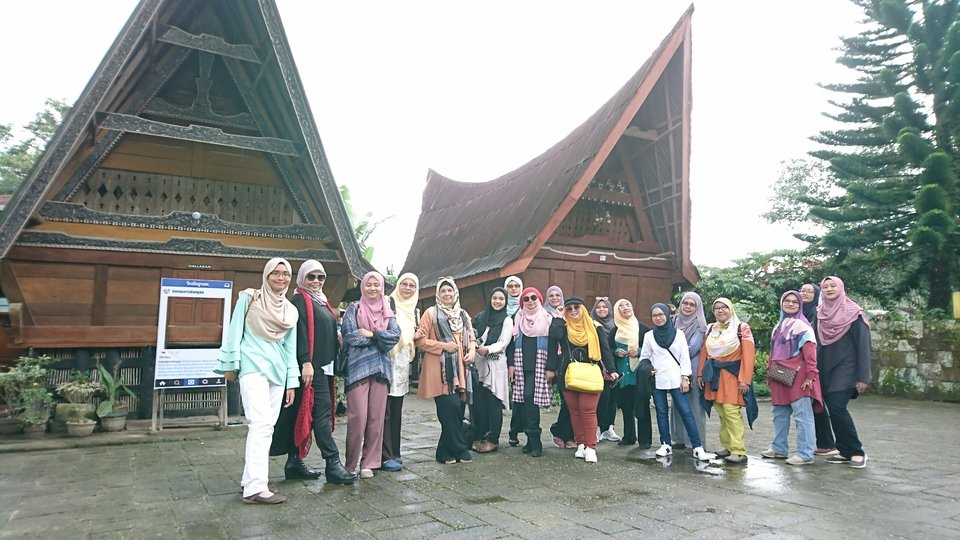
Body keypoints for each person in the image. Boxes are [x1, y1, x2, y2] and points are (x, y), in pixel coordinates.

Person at [216, 258, 299, 504]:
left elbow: (290, 348)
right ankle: (255, 488)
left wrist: (291, 381)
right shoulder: (249, 298)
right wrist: (232, 364)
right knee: (260, 424)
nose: (281, 277)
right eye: (275, 273)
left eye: (285, 273)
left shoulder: (290, 310)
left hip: (278, 371)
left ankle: (251, 481)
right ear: (266, 275)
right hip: (252, 366)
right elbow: (235, 332)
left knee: (267, 427)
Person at [269, 260, 355, 485]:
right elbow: (299, 333)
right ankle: (332, 463)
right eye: (311, 277)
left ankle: (294, 462)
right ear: (302, 278)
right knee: (322, 414)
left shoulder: (321, 301)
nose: (316, 281)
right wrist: (305, 361)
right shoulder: (300, 299)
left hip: (324, 366)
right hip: (311, 367)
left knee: (302, 412)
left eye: (320, 277)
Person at [341, 271, 401, 479]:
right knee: (358, 418)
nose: (373, 288)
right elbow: (351, 336)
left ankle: (370, 462)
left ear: (382, 287)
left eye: (377, 285)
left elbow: (395, 336)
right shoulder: (354, 308)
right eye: (369, 284)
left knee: (376, 419)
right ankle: (350, 464)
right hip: (358, 369)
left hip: (381, 370)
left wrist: (372, 334)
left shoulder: (387, 310)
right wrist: (378, 339)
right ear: (362, 286)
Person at [643, 303, 715, 462]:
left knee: (686, 412)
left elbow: (684, 358)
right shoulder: (649, 336)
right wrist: (649, 368)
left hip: (677, 379)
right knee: (661, 413)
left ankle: (697, 446)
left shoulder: (678, 334)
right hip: (658, 379)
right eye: (655, 315)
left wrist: (685, 378)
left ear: (667, 314)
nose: (658, 318)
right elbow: (645, 357)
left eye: (661, 314)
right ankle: (665, 444)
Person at [416, 277, 476, 464]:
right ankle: (460, 449)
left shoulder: (463, 314)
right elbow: (420, 341)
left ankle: (443, 452)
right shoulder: (431, 313)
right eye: (443, 291)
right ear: (438, 294)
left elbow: (472, 337)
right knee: (449, 408)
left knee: (457, 410)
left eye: (450, 290)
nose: (447, 294)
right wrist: (444, 346)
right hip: (440, 369)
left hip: (461, 368)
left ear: (455, 292)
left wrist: (472, 351)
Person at [762, 290, 822, 466]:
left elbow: (810, 354)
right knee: (779, 413)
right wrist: (769, 371)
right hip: (780, 374)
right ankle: (779, 448)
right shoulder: (779, 326)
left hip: (800, 375)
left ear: (800, 305)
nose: (790, 304)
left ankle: (805, 453)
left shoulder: (803, 327)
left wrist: (811, 375)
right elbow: (773, 352)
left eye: (795, 302)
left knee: (802, 415)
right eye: (787, 301)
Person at [817, 276, 871, 469]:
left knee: (837, 406)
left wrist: (863, 376)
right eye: (825, 287)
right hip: (825, 369)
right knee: (832, 409)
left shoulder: (854, 313)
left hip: (847, 368)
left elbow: (863, 345)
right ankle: (844, 451)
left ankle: (857, 451)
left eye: (833, 286)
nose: (829, 289)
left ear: (841, 288)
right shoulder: (820, 314)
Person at [698, 297, 757, 464]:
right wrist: (700, 374)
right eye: (717, 308)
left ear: (730, 309)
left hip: (732, 376)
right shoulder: (711, 328)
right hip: (714, 376)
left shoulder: (741, 328)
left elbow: (748, 355)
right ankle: (728, 446)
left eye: (724, 307)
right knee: (722, 412)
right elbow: (704, 352)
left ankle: (738, 450)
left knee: (731, 412)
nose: (720, 310)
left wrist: (745, 380)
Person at [558, 296, 617, 464]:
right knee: (575, 411)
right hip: (569, 374)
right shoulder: (563, 327)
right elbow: (553, 336)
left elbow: (605, 350)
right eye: (569, 308)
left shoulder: (595, 327)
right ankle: (581, 444)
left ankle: (591, 447)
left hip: (591, 372)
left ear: (583, 309)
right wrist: (559, 317)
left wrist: (612, 370)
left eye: (577, 307)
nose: (573, 311)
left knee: (588, 410)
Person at [507, 287, 559, 457]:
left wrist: (551, 368)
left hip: (539, 366)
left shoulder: (548, 319)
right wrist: (511, 364)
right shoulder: (518, 318)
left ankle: (535, 440)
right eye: (526, 299)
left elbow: (553, 346)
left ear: (539, 300)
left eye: (533, 298)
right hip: (521, 366)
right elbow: (511, 344)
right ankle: (531, 441)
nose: (530, 301)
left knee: (530, 398)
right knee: (524, 402)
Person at [382, 272, 419, 471]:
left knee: (396, 410)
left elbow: (413, 336)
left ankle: (395, 451)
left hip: (403, 364)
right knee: (384, 410)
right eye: (404, 284)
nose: (407, 288)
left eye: (412, 285)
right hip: (386, 360)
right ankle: (384, 454)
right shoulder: (388, 303)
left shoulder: (414, 310)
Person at [470, 287, 514, 452]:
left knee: (494, 402)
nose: (497, 301)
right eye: (495, 298)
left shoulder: (507, 320)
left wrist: (487, 349)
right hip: (479, 365)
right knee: (479, 403)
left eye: (501, 299)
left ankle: (493, 439)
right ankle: (479, 435)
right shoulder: (482, 317)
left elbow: (503, 342)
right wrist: (475, 345)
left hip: (496, 366)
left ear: (505, 302)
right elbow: (474, 335)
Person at [609, 299, 653, 448]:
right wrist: (616, 351)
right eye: (621, 306)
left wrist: (639, 351)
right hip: (623, 375)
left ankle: (645, 440)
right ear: (617, 311)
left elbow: (652, 349)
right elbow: (608, 350)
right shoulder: (615, 331)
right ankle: (629, 436)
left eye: (628, 304)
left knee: (643, 406)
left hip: (640, 374)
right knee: (626, 407)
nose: (625, 308)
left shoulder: (643, 329)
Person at [801, 282, 838, 457]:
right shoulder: (796, 313)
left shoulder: (819, 313)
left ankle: (827, 443)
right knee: (808, 404)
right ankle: (819, 442)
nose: (805, 293)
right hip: (800, 364)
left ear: (816, 295)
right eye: (802, 291)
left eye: (809, 291)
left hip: (815, 362)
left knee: (817, 401)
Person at [670, 292, 708, 452]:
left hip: (692, 368)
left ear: (697, 307)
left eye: (692, 305)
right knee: (676, 404)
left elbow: (692, 348)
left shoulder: (700, 325)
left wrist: (672, 351)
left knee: (693, 406)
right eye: (685, 303)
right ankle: (678, 438)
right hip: (674, 367)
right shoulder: (674, 320)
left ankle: (694, 443)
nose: (688, 307)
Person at [591, 298, 622, 443]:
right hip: (597, 365)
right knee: (601, 397)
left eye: (604, 307)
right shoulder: (591, 324)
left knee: (612, 399)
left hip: (614, 364)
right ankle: (597, 427)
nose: (601, 309)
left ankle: (609, 427)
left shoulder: (616, 325)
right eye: (598, 307)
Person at [503, 276, 525, 446]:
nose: (513, 289)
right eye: (510, 286)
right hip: (498, 355)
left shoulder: (525, 307)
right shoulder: (501, 306)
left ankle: (515, 430)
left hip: (519, 355)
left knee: (519, 395)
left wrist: (512, 363)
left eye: (517, 286)